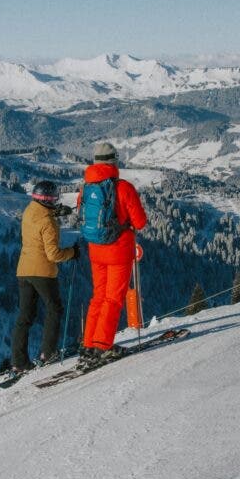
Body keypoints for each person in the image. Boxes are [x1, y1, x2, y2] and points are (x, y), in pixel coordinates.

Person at [78, 142, 147, 365]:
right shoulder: (123, 188)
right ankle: (102, 345)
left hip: (95, 250)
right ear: (114, 161)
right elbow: (140, 222)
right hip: (119, 250)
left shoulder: (85, 188)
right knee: (113, 299)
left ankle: (89, 343)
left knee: (98, 296)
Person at [11, 181, 79, 373]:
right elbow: (53, 255)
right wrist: (72, 252)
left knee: (25, 317)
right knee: (54, 309)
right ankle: (48, 353)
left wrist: (55, 212)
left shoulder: (29, 212)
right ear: (49, 199)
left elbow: (41, 217)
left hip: (24, 270)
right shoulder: (48, 222)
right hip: (43, 271)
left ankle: (18, 362)